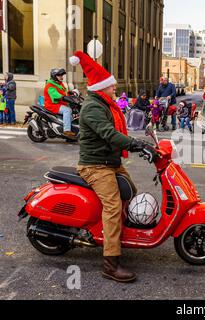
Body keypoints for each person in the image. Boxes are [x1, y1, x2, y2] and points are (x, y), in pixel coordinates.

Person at [70, 50, 150, 283]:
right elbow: (108, 134)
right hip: (95, 165)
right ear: (101, 87)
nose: (115, 88)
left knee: (131, 191)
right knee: (114, 206)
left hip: (109, 162)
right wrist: (135, 145)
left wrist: (145, 144)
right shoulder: (94, 107)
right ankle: (110, 265)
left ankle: (114, 235)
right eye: (112, 85)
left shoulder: (106, 104)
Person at [43, 68, 75, 137]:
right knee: (67, 110)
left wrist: (70, 94)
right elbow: (56, 95)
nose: (61, 77)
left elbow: (64, 93)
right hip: (52, 105)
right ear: (54, 76)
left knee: (72, 111)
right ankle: (66, 130)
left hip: (60, 104)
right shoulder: (49, 85)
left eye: (62, 75)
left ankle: (70, 133)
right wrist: (63, 97)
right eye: (59, 75)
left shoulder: (60, 84)